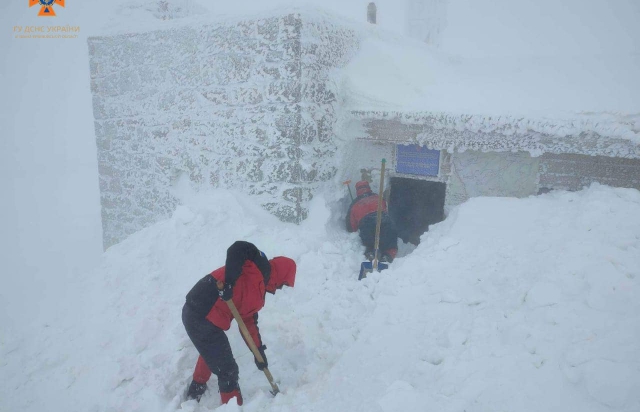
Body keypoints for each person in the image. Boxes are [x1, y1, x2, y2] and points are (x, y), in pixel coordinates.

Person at [182, 241, 296, 405]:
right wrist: (229, 282)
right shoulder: (257, 266)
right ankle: (232, 407)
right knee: (228, 370)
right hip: (200, 311)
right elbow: (238, 248)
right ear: (281, 274)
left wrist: (258, 352)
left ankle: (196, 389)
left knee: (213, 350)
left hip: (202, 315)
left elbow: (248, 323)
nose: (279, 289)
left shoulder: (258, 293)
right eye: (283, 284)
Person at [346, 180, 398, 262]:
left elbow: (351, 227)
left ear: (357, 191)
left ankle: (370, 254)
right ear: (369, 188)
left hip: (366, 225)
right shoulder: (378, 198)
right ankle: (387, 256)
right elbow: (387, 209)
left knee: (369, 244)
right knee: (390, 242)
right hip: (384, 221)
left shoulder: (354, 205)